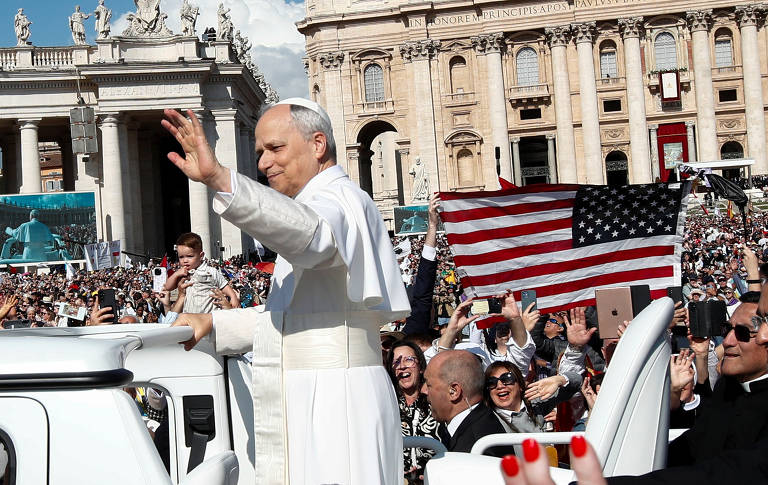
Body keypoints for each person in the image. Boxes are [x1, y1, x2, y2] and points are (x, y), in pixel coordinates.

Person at [161, 98, 410, 485]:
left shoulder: (338, 201)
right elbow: (291, 318)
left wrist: (222, 180)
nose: (262, 163)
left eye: (275, 148)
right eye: (260, 152)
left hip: (334, 402)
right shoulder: (318, 201)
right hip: (316, 393)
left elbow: (312, 238)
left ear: (317, 145)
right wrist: (212, 322)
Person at [423, 349, 512, 456]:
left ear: (454, 391)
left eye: (429, 385)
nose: (423, 391)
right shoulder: (477, 425)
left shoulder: (479, 448)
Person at [386, 340, 438, 484]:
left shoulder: (436, 401)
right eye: (396, 362)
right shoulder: (386, 405)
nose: (402, 366)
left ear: (421, 367)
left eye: (409, 359)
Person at [484, 361, 581, 433]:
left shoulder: (534, 401)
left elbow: (579, 382)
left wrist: (560, 379)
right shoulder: (487, 420)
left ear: (520, 385)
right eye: (492, 382)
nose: (500, 386)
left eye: (507, 378)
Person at [163, 232, 239, 313]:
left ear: (201, 256)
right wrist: (176, 274)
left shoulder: (210, 271)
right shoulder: (181, 274)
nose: (185, 260)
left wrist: (233, 297)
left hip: (209, 315)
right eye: (181, 257)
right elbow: (168, 287)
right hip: (190, 316)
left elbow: (224, 286)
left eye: (190, 256)